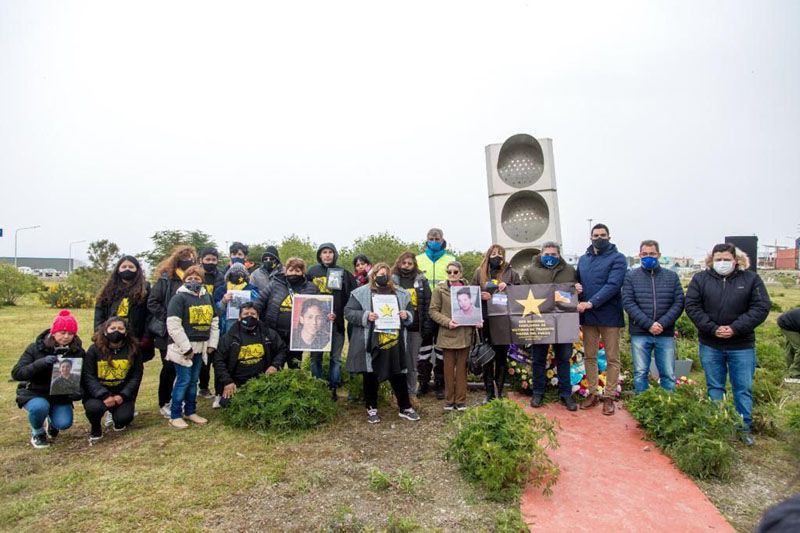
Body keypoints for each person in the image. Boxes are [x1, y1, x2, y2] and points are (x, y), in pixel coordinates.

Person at [685, 243, 771, 445]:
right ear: (711, 260)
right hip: (710, 343)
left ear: (736, 260)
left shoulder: (751, 279)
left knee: (742, 388)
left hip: (741, 344)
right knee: (715, 387)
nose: (722, 263)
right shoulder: (700, 279)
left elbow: (760, 307)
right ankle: (718, 426)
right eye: (718, 259)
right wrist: (712, 328)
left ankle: (743, 428)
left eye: (726, 259)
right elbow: (692, 306)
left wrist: (735, 328)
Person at [344, 262, 420, 423]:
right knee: (370, 374)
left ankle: (405, 407)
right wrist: (366, 316)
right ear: (373, 275)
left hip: (394, 341)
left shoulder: (401, 293)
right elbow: (349, 312)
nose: (382, 276)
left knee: (398, 373)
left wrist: (406, 315)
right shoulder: (360, 293)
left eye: (385, 273)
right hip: (371, 340)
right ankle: (371, 408)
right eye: (379, 274)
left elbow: (412, 313)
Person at [11, 310, 85, 449]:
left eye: (70, 333)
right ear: (54, 332)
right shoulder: (35, 348)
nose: (66, 337)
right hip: (35, 392)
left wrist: (79, 391)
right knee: (40, 408)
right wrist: (41, 363)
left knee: (64, 423)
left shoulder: (78, 352)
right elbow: (17, 373)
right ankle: (38, 432)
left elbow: (83, 376)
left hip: (61, 395)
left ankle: (53, 421)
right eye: (62, 333)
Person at [576, 223, 627, 415]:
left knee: (612, 358)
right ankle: (592, 392)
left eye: (603, 235)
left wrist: (591, 302)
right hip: (588, 316)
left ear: (609, 237)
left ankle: (609, 396)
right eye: (596, 235)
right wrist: (575, 287)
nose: (599, 238)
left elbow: (613, 285)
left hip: (609, 315)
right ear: (590, 238)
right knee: (590, 356)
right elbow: (578, 281)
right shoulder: (583, 259)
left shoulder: (618, 259)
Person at [622, 240, 685, 394]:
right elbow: (628, 302)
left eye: (652, 254)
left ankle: (668, 407)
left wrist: (662, 324)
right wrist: (649, 324)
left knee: (668, 374)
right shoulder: (631, 276)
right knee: (640, 373)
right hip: (640, 332)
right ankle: (643, 404)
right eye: (644, 254)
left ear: (659, 255)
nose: (648, 257)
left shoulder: (671, 276)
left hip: (665, 332)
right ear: (639, 255)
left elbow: (678, 303)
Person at [522, 242, 579, 411]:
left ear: (559, 255)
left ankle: (565, 394)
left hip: (563, 321)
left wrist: (577, 289)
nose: (550, 257)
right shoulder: (530, 271)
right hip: (540, 320)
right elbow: (522, 291)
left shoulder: (569, 270)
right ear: (541, 254)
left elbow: (573, 292)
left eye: (554, 254)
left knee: (563, 358)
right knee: (539, 358)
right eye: (547, 254)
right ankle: (538, 392)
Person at [165, 265, 220, 429]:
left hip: (201, 346)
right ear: (184, 280)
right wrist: (185, 348)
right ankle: (175, 414)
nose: (193, 281)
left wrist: (212, 344)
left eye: (197, 278)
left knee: (194, 381)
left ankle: (190, 411)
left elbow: (214, 321)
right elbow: (173, 325)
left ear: (202, 280)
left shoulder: (207, 297)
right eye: (190, 278)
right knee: (183, 381)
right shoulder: (178, 298)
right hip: (183, 348)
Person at [147, 244, 197, 418]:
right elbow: (152, 302)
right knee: (169, 368)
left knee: (185, 368)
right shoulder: (166, 280)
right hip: (168, 333)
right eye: (185, 258)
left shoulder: (195, 280)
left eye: (191, 258)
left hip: (189, 332)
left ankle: (182, 400)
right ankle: (164, 402)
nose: (188, 261)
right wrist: (169, 317)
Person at [214, 303, 289, 407]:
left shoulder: (268, 333)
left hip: (263, 380)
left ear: (258, 316)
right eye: (246, 314)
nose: (249, 316)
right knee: (228, 404)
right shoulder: (229, 337)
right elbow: (218, 361)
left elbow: (282, 349)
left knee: (272, 402)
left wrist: (275, 366)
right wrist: (228, 382)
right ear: (239, 317)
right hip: (238, 381)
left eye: (253, 314)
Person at [82, 316, 144, 442]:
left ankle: (116, 416)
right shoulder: (94, 350)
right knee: (94, 408)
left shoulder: (133, 350)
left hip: (121, 393)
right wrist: (103, 395)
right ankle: (95, 427)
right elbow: (88, 377)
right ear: (105, 331)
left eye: (120, 328)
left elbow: (136, 376)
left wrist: (123, 395)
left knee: (124, 418)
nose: (116, 331)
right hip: (98, 394)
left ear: (126, 332)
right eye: (113, 328)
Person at [429, 261, 480, 411]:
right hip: (448, 335)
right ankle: (449, 401)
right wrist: (447, 322)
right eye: (449, 272)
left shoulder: (470, 289)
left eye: (455, 272)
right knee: (449, 370)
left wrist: (477, 320)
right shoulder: (439, 290)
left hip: (465, 335)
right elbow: (433, 311)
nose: (452, 274)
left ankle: (461, 401)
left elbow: (474, 309)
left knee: (462, 370)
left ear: (461, 273)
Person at [306, 242, 354, 399]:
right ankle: (318, 388)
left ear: (334, 254)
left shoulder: (342, 273)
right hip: (315, 324)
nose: (327, 255)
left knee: (336, 358)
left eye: (330, 252)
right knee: (315, 358)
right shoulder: (312, 272)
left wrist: (340, 312)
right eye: (324, 252)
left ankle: (333, 388)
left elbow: (350, 297)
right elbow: (304, 294)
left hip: (336, 323)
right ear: (320, 255)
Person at [472, 245, 519, 403]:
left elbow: (521, 294)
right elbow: (470, 294)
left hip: (503, 320)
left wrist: (509, 287)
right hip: (485, 319)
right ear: (488, 255)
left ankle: (499, 391)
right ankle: (489, 393)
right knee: (486, 356)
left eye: (500, 254)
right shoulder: (479, 272)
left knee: (501, 356)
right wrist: (480, 295)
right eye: (493, 253)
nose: (496, 256)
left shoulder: (511, 273)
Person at [255, 257, 319, 369]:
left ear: (303, 272)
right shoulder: (275, 284)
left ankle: (293, 385)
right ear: (286, 271)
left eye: (297, 271)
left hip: (297, 334)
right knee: (275, 363)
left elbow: (320, 307)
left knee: (294, 364)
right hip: (275, 332)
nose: (294, 273)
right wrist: (254, 315)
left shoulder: (311, 288)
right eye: (291, 270)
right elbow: (260, 301)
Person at [415, 228, 455, 400]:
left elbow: (456, 282)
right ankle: (423, 382)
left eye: (437, 238)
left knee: (441, 349)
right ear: (426, 239)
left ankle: (440, 383)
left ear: (442, 239)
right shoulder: (418, 259)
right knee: (423, 349)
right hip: (423, 310)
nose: (434, 241)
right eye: (431, 238)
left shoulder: (450, 259)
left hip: (443, 309)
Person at [94, 255, 153, 361]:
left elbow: (150, 315)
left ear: (137, 270)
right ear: (118, 269)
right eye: (124, 266)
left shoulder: (146, 289)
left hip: (136, 336)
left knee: (134, 366)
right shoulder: (109, 288)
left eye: (131, 267)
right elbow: (100, 311)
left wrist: (147, 336)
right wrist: (99, 331)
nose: (127, 269)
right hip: (111, 334)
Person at [391, 252, 431, 406]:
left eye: (410, 263)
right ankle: (397, 394)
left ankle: (412, 393)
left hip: (416, 327)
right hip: (396, 327)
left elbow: (428, 303)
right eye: (404, 263)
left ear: (414, 265)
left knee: (412, 363)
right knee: (398, 362)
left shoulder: (421, 281)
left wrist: (427, 326)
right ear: (399, 263)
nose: (406, 266)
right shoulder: (392, 280)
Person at [198, 247, 225, 400]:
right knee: (201, 359)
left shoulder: (220, 276)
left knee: (213, 355)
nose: (210, 262)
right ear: (201, 260)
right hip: (198, 319)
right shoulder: (196, 275)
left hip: (215, 319)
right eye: (207, 259)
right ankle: (202, 386)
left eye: (213, 260)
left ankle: (215, 388)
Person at [214, 263, 259, 334]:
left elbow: (257, 307)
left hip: (247, 325)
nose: (237, 276)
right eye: (233, 274)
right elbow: (216, 312)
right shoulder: (221, 290)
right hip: (226, 328)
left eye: (240, 274)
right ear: (229, 275)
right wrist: (223, 301)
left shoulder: (252, 289)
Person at [777, 307, 800, 384]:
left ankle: (790, 368)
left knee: (790, 348)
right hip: (786, 323)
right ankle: (795, 374)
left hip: (791, 323)